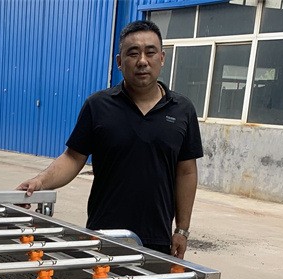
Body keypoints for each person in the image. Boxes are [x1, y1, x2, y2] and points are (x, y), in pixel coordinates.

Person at [17, 20, 202, 259]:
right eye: (133, 53)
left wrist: (182, 230)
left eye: (150, 52)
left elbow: (186, 172)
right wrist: (40, 181)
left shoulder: (182, 110)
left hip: (158, 238)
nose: (142, 61)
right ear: (119, 62)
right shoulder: (98, 106)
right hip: (103, 234)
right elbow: (73, 158)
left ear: (162, 58)